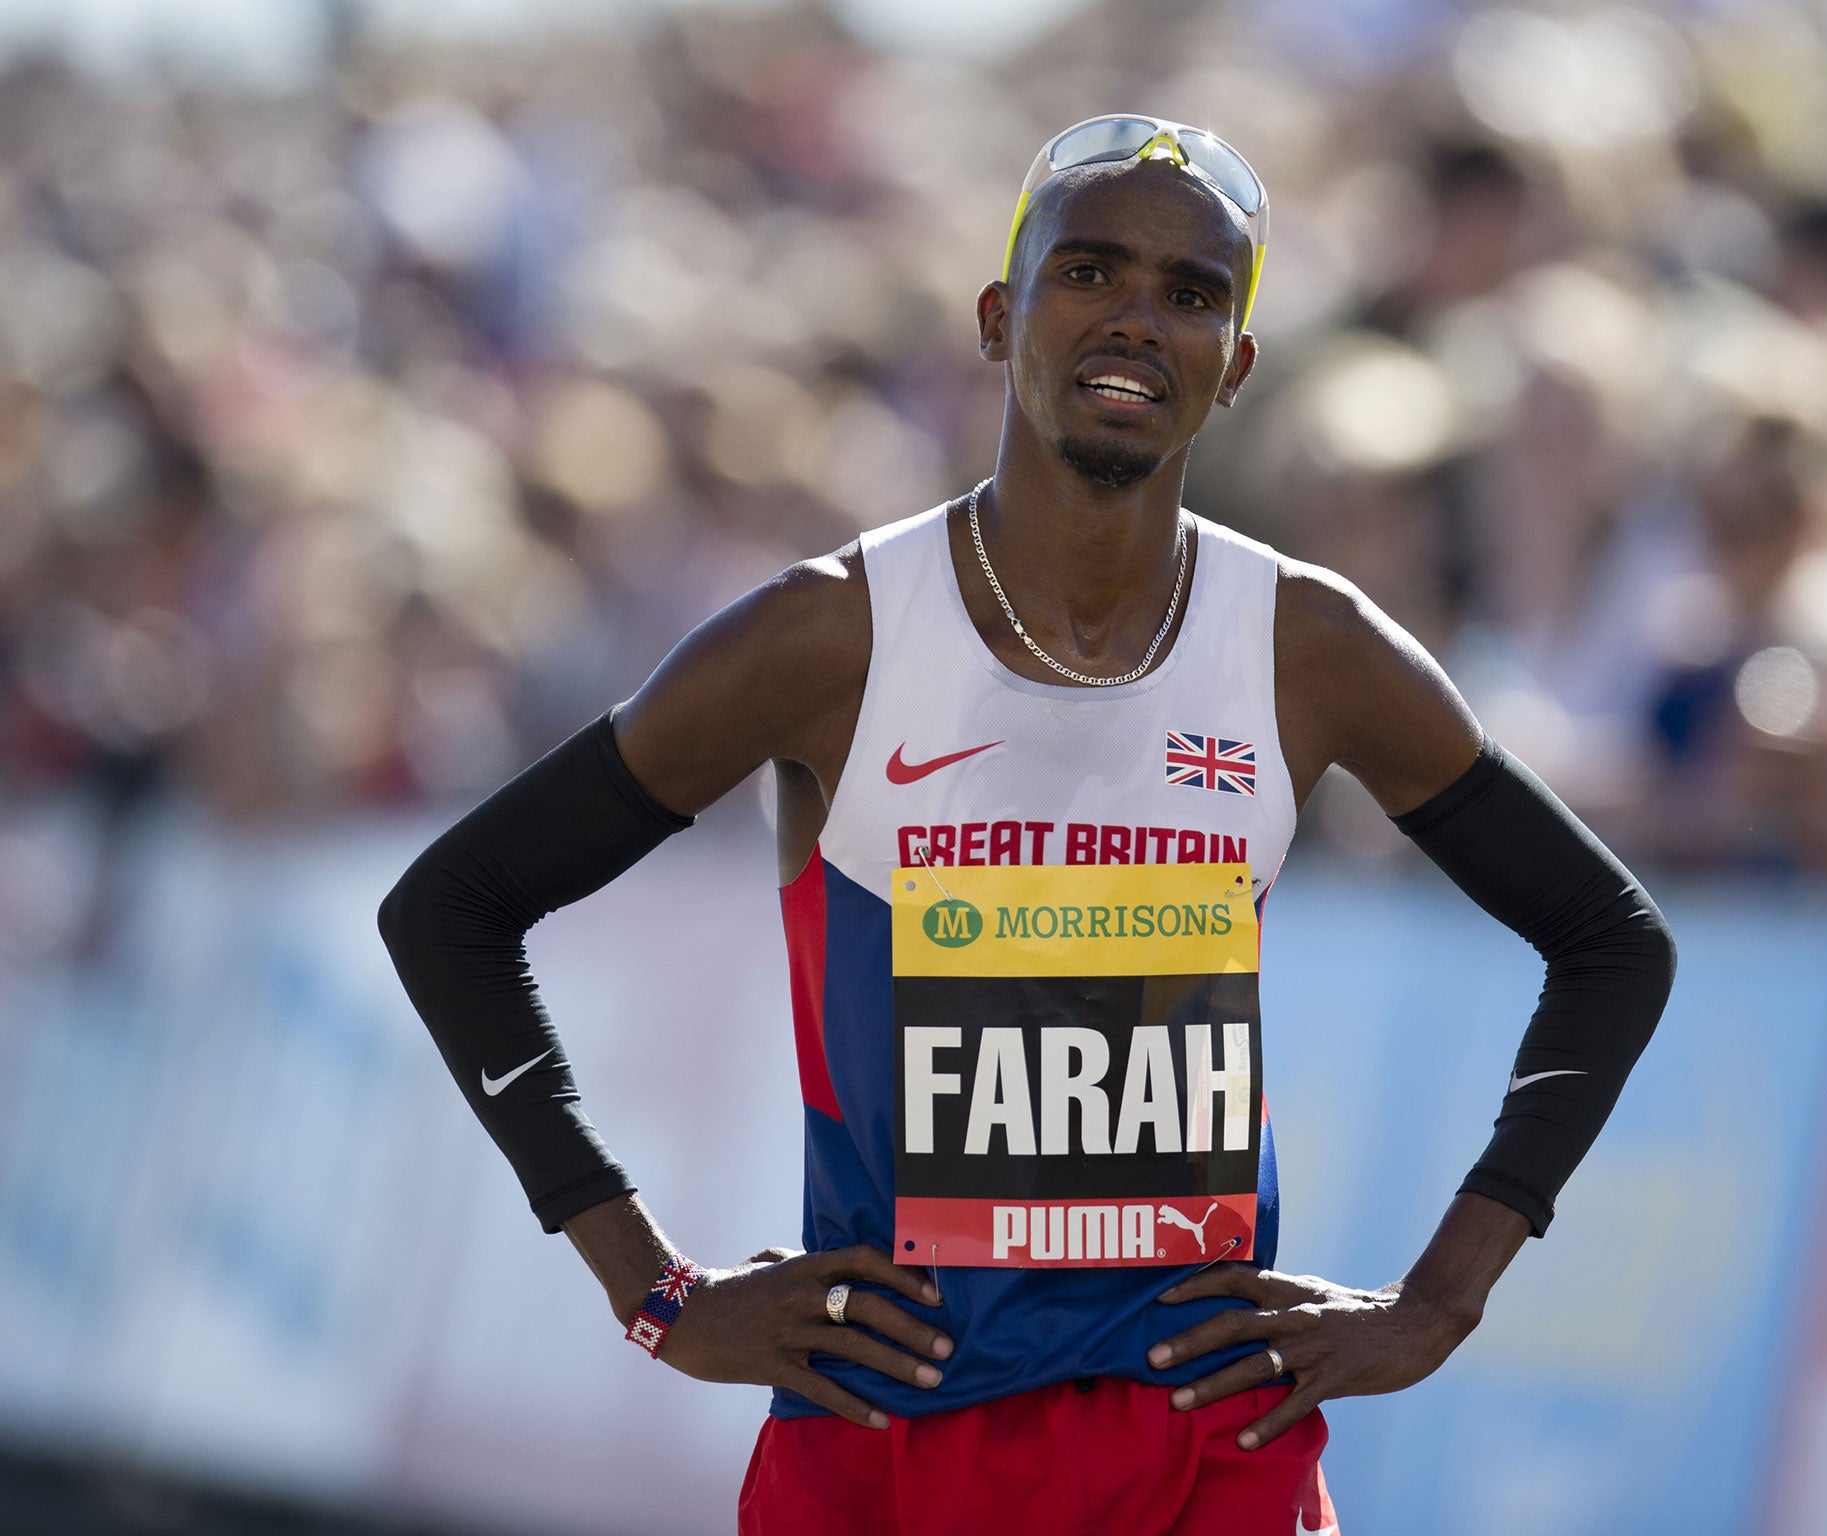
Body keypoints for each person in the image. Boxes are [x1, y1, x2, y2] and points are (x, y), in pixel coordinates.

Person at [380, 115, 1676, 1535]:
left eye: (1192, 296)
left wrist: (1438, 1304)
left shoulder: (1307, 647)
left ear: (1233, 366)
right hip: (887, 1444)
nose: (1137, 319)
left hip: (1210, 1446)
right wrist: (655, 1293)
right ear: (1003, 317)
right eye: (1091, 274)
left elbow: (1612, 942)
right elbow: (451, 911)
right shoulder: (833, 637)